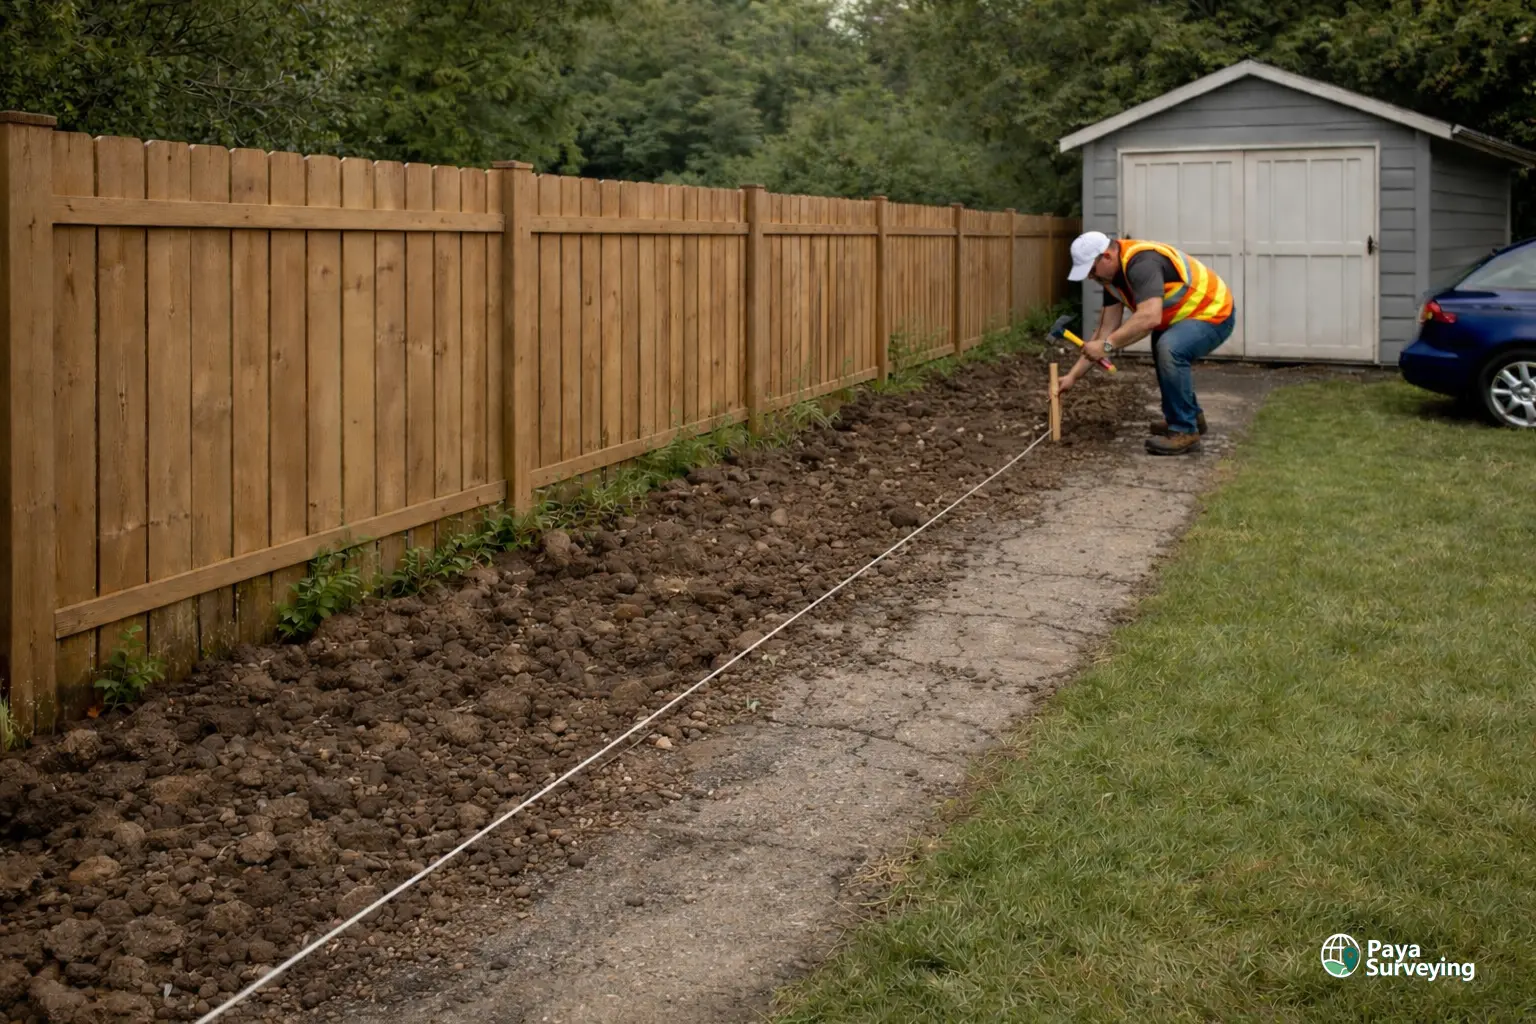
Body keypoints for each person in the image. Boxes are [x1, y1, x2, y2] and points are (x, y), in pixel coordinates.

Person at [1056, 230, 1236, 455]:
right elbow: (1104, 331)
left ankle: (1185, 431)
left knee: (1170, 348)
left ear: (1107, 257)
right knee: (1164, 348)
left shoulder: (1142, 264)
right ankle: (1188, 417)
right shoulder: (1111, 280)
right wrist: (1073, 376)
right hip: (1182, 317)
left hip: (1214, 312)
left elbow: (1149, 317)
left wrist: (1108, 346)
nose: (1091, 277)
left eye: (1091, 270)